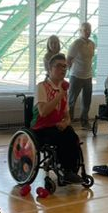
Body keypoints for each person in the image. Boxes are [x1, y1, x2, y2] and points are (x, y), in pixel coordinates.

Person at [32, 53, 82, 184]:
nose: (63, 69)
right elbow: (43, 112)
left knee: (72, 136)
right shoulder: (42, 87)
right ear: (50, 69)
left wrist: (66, 123)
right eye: (59, 66)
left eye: (65, 66)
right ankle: (65, 170)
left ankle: (70, 171)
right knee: (62, 138)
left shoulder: (63, 88)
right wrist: (60, 95)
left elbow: (67, 116)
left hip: (57, 126)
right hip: (41, 128)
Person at [67, 22, 96, 130]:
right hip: (76, 76)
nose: (87, 31)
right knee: (71, 101)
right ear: (80, 31)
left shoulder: (92, 44)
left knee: (87, 101)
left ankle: (85, 122)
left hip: (88, 76)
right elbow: (68, 59)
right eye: (85, 29)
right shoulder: (76, 43)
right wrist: (68, 74)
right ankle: (68, 123)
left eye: (89, 29)